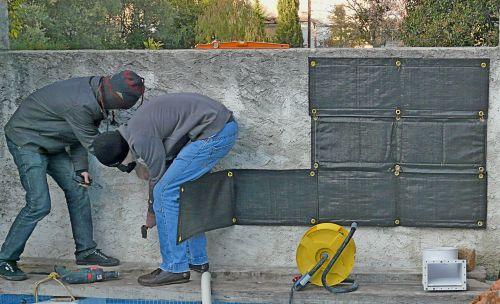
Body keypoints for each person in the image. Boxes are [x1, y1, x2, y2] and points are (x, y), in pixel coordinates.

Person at [0, 71, 145, 281]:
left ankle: (85, 252)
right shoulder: (82, 103)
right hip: (27, 141)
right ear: (117, 97)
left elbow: (77, 134)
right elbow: (96, 145)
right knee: (39, 204)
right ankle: (5, 259)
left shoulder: (97, 94)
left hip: (52, 140)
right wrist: (131, 165)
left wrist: (81, 168)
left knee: (78, 188)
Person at [92, 93, 237, 286]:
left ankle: (174, 268)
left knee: (164, 192)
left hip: (214, 134)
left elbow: (158, 180)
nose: (126, 168)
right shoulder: (134, 129)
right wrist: (144, 169)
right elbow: (166, 159)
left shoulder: (140, 139)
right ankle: (197, 260)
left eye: (123, 165)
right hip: (217, 128)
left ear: (123, 154)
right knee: (185, 191)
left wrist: (151, 212)